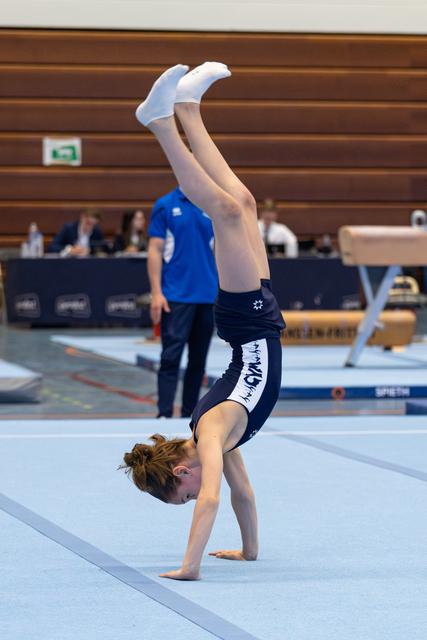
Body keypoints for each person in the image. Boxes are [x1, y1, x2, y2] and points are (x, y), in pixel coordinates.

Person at [120, 63, 285, 581]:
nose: (191, 495)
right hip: (257, 322)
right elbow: (242, 493)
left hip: (246, 324)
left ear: (179, 472)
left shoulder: (210, 431)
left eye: (180, 495)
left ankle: (160, 123)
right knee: (244, 205)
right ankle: (188, 109)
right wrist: (250, 552)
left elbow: (211, 497)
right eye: (183, 500)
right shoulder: (216, 436)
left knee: (225, 212)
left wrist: (189, 566)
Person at [147, 187, 217, 418]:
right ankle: (164, 415)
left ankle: (190, 415)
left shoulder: (211, 204)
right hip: (176, 296)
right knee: (170, 358)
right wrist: (157, 292)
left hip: (207, 295)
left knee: (198, 363)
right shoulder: (165, 205)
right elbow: (155, 250)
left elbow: (221, 250)